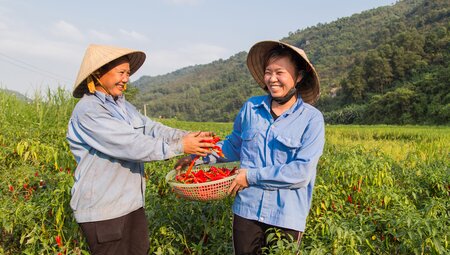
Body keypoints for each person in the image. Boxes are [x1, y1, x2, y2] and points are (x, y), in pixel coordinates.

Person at [176, 40, 325, 254]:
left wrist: (250, 176)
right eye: (268, 72)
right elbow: (233, 145)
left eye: (279, 72)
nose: (272, 79)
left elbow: (302, 172)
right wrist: (199, 157)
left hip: (286, 214)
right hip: (247, 209)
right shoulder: (251, 108)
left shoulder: (312, 119)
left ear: (298, 76)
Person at [67, 44, 215, 255]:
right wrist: (181, 146)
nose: (126, 78)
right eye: (121, 72)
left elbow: (152, 128)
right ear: (99, 73)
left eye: (127, 73)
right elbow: (131, 144)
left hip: (131, 203)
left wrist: (187, 136)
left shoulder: (122, 106)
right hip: (104, 210)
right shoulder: (89, 110)